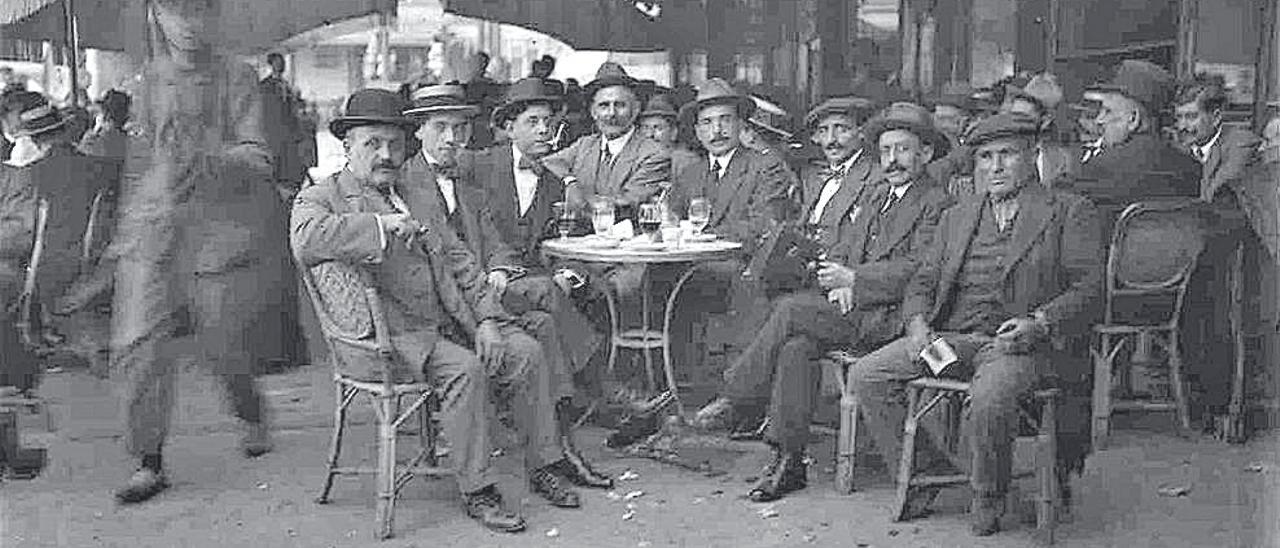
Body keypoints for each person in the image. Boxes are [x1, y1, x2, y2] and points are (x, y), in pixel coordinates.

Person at [294, 88, 606, 533]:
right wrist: (380, 226)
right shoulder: (323, 196)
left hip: (444, 322)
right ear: (347, 146)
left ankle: (546, 464)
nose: (385, 155)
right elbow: (306, 239)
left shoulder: (414, 194)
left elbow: (461, 263)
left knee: (526, 351)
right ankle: (479, 490)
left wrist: (488, 321)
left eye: (394, 145)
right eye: (372, 144)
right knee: (465, 370)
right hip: (387, 337)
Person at [849, 112, 1103, 537]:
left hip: (1020, 345)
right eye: (986, 157)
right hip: (952, 340)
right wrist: (917, 324)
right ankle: (929, 470)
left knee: (988, 396)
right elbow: (924, 280)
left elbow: (1090, 288)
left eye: (1007, 155)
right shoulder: (959, 215)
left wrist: (1039, 322)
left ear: (1032, 157)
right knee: (867, 375)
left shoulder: (1068, 211)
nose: (995, 167)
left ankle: (988, 494)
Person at [698, 102, 954, 503]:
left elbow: (923, 268)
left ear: (926, 153)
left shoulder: (937, 203)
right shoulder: (879, 196)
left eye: (903, 150)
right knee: (796, 348)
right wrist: (839, 277)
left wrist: (856, 280)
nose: (892, 160)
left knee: (791, 310)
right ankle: (788, 460)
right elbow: (848, 249)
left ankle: (738, 396)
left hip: (893, 318)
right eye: (886, 151)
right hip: (855, 308)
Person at [111, 16, 280, 503]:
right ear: (157, 14)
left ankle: (251, 412)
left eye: (197, 6)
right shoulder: (148, 79)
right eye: (173, 6)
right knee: (138, 344)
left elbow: (259, 158)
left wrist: (211, 155)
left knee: (223, 344)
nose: (186, 20)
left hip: (215, 230)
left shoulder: (236, 76)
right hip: (151, 230)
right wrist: (128, 224)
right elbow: (138, 163)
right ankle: (148, 460)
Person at [665, 78, 797, 398]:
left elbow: (764, 226)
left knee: (716, 282)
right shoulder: (690, 173)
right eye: (708, 123)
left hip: (745, 266)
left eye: (725, 121)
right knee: (653, 279)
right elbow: (670, 219)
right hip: (693, 265)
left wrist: (699, 235)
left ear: (740, 125)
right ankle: (666, 383)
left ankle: (732, 393)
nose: (717, 131)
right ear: (697, 131)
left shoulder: (765, 167)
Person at [1172, 75, 1262, 428]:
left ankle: (1218, 402)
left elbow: (1213, 197)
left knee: (1211, 306)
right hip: (1195, 246)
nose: (1183, 126)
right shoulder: (1181, 147)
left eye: (1191, 117)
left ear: (1217, 115)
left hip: (1241, 253)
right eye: (1179, 117)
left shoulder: (1240, 143)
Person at [1068, 59, 1200, 232]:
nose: (1099, 120)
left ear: (1133, 119)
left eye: (1107, 111)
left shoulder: (1099, 168)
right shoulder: (1193, 170)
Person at [540, 62, 671, 217]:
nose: (611, 114)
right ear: (593, 112)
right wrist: (569, 181)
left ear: (635, 110)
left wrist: (577, 200)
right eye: (604, 106)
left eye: (620, 105)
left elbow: (627, 203)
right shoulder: (585, 144)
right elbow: (548, 163)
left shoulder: (654, 154)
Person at [1002, 73, 1079, 188]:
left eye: (1024, 119)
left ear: (1046, 121)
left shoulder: (1061, 161)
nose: (1015, 125)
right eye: (1013, 116)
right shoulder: (995, 157)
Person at [637, 94, 699, 171]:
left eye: (658, 128)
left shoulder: (687, 162)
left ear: (674, 132)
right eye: (646, 127)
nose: (649, 134)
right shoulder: (635, 158)